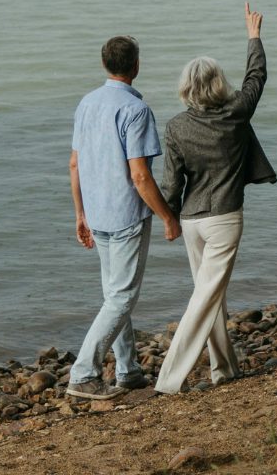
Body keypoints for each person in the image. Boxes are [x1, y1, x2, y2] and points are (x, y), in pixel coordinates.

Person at [154, 2, 276, 395]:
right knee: (206, 297)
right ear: (219, 83)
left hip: (192, 221)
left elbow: (171, 184)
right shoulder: (236, 112)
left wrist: (168, 219)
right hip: (224, 219)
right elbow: (257, 76)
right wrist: (253, 36)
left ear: (186, 89)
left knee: (212, 296)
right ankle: (169, 380)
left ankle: (224, 371)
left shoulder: (175, 127)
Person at [67, 33, 181, 401]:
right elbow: (140, 175)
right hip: (126, 216)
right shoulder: (136, 110)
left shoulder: (86, 103)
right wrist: (167, 217)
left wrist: (80, 214)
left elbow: (74, 163)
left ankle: (128, 371)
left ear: (105, 64)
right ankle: (84, 372)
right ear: (136, 66)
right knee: (121, 298)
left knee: (114, 295)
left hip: (97, 214)